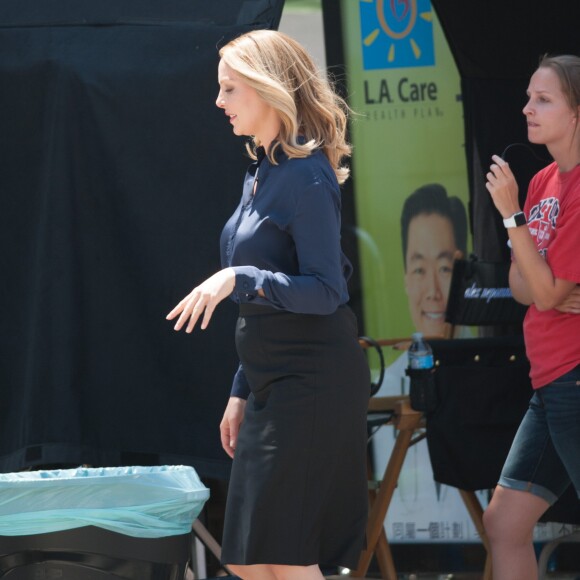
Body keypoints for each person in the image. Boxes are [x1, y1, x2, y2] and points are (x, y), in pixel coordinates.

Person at [166, 29, 370, 580]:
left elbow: (327, 290)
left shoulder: (306, 175)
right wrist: (240, 390)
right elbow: (263, 306)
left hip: (312, 382)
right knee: (248, 562)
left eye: (230, 89)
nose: (219, 102)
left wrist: (240, 276)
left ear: (267, 89)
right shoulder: (261, 174)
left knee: (286, 558)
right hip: (268, 384)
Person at [484, 54, 580, 579]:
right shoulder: (544, 178)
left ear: (576, 114)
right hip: (551, 384)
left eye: (543, 99)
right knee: (504, 525)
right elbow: (522, 286)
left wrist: (511, 215)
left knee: (504, 524)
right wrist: (540, 279)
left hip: (574, 375)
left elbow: (541, 289)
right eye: (528, 96)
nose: (527, 108)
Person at [401, 183, 468, 339]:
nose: (433, 292)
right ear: (406, 280)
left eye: (444, 269)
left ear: (465, 274)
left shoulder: (489, 362)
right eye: (419, 270)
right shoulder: (393, 365)